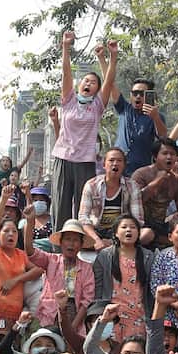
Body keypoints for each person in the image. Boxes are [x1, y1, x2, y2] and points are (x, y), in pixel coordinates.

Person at [50, 32, 118, 229]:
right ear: (79, 85)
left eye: (93, 82)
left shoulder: (97, 106)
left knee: (83, 208)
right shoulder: (68, 101)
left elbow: (109, 81)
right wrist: (65, 47)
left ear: (97, 89)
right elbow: (66, 73)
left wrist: (113, 57)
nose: (88, 83)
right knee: (61, 205)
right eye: (85, 80)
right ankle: (58, 250)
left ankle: (82, 247)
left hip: (85, 161)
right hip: (63, 159)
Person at [0, 191, 43, 332]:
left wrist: (16, 280)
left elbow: (39, 270)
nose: (11, 234)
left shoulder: (20, 254)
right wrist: (3, 199)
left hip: (14, 315)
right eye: (6, 231)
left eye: (14, 231)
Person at [92, 215, 153, 344]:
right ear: (116, 233)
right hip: (112, 315)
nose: (128, 230)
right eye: (124, 227)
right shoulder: (105, 256)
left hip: (139, 315)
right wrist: (98, 314)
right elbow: (98, 288)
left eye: (133, 227)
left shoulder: (148, 257)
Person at [26, 219, 95, 333]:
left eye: (76, 240)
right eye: (68, 239)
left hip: (74, 314)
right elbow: (30, 250)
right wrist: (29, 222)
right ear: (61, 242)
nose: (71, 244)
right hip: (49, 313)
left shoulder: (87, 268)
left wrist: (72, 328)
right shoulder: (50, 260)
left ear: (81, 245)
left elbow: (86, 301)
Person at [132, 136, 178, 243]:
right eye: (165, 154)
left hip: (161, 225)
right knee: (146, 234)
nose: (169, 157)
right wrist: (157, 181)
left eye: (173, 154)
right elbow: (135, 201)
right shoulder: (140, 174)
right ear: (155, 157)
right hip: (139, 224)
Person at [78, 148, 144, 246]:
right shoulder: (91, 185)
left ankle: (115, 244)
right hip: (96, 231)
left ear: (124, 165)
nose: (115, 163)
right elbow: (83, 217)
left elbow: (137, 219)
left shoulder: (133, 186)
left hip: (122, 232)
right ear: (104, 165)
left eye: (119, 160)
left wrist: (115, 239)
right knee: (77, 233)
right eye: (111, 160)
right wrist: (96, 239)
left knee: (147, 233)